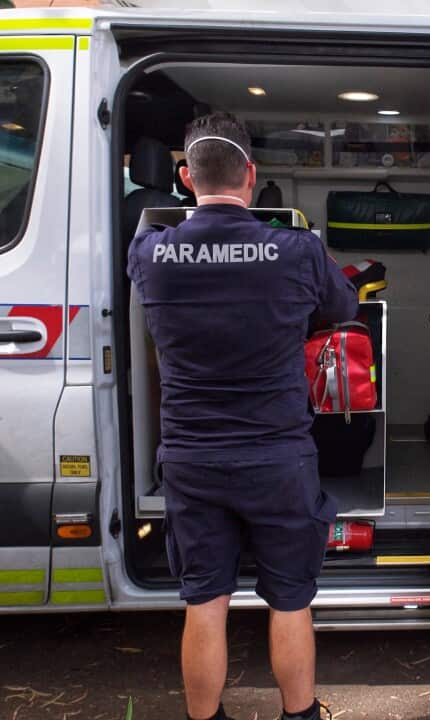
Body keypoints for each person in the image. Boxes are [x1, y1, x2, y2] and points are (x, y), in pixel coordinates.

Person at [127, 112, 357, 720]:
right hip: (278, 458)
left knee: (204, 601)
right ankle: (299, 714)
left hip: (192, 459)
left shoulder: (151, 252)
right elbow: (344, 305)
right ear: (251, 174)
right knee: (290, 600)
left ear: (185, 176)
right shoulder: (298, 250)